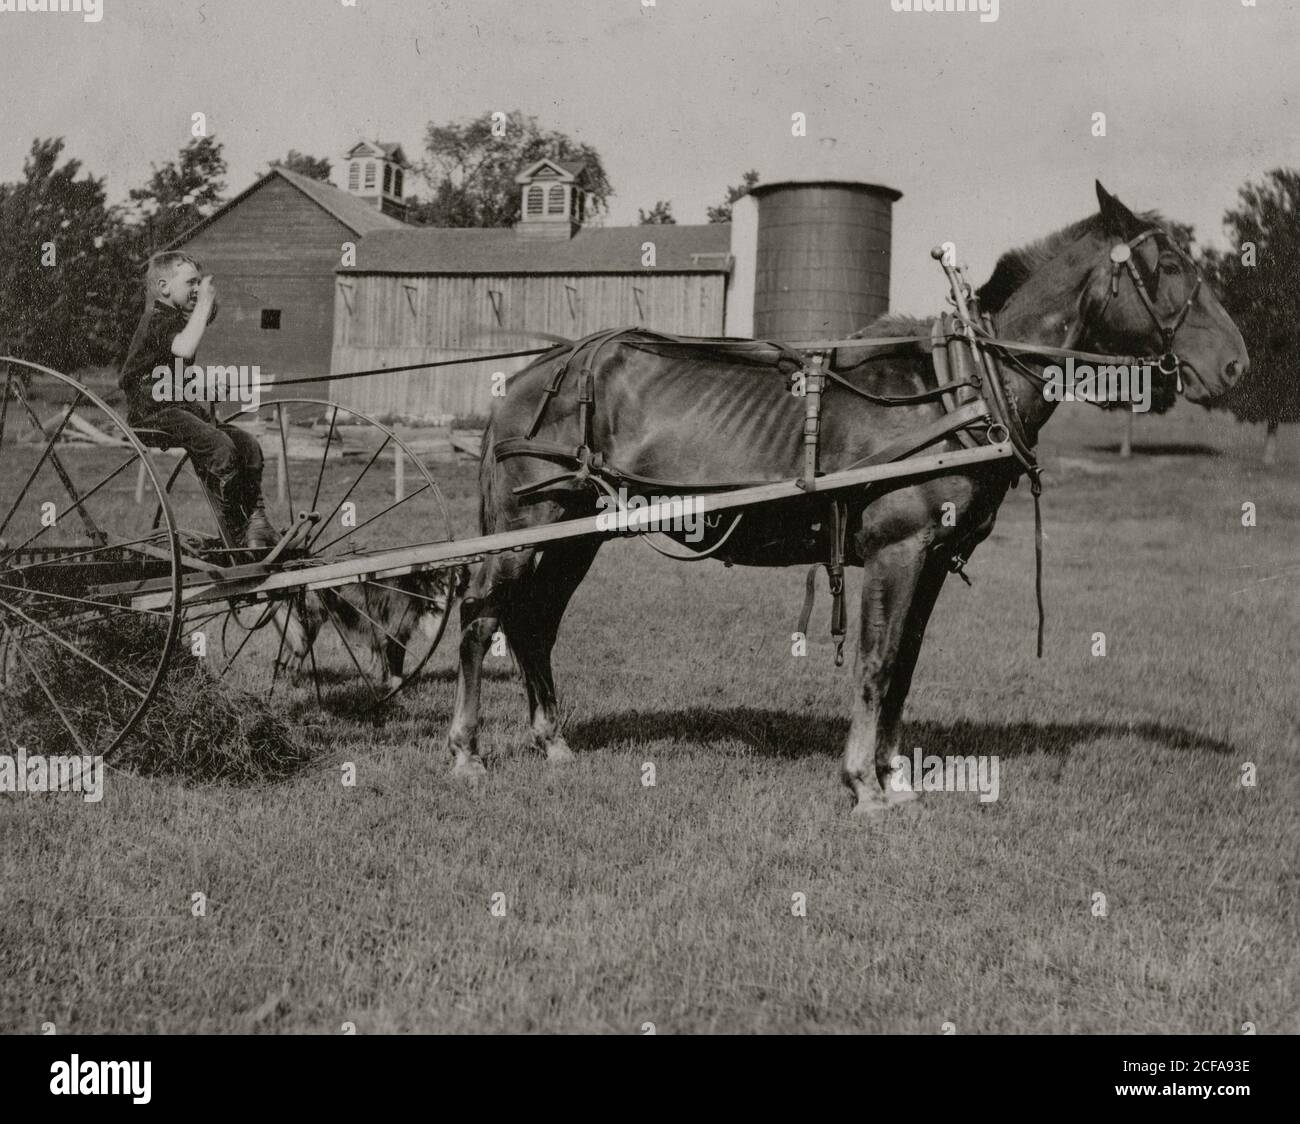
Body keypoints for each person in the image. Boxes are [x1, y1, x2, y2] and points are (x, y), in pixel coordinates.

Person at [118, 251, 276, 550]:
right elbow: (183, 348)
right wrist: (203, 302)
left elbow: (175, 367)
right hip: (152, 412)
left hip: (178, 406)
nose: (196, 288)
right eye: (191, 282)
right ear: (164, 287)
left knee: (248, 445)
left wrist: (203, 385)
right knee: (221, 448)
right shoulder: (156, 318)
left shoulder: (174, 321)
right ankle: (238, 532)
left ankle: (258, 522)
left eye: (199, 283)